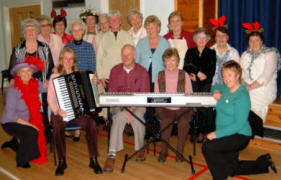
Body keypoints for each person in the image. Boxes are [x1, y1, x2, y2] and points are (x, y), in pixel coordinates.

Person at [202, 60, 277, 180]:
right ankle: (265, 164)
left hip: (239, 134)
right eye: (224, 75)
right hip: (227, 132)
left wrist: (216, 134)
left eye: (229, 75)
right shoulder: (226, 88)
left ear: (237, 76)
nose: (226, 79)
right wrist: (216, 91)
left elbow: (238, 124)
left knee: (208, 147)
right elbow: (215, 86)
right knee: (231, 168)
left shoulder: (242, 95)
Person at [47, 47, 102, 176]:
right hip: (60, 112)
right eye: (66, 58)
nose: (68, 61)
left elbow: (91, 93)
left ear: (74, 61)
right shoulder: (55, 76)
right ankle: (62, 160)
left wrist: (94, 82)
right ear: (61, 59)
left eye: (71, 59)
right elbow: (50, 98)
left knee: (91, 124)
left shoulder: (79, 75)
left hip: (78, 113)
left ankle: (93, 159)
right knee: (57, 125)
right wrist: (57, 110)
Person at [103, 44, 150, 173]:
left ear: (135, 56)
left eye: (129, 55)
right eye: (123, 55)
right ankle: (111, 154)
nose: (126, 57)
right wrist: (125, 109)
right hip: (119, 104)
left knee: (138, 117)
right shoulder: (115, 70)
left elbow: (145, 94)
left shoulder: (143, 71)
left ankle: (140, 149)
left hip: (138, 104)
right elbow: (112, 93)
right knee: (119, 116)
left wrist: (132, 108)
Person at [8, 18, 54, 142]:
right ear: (23, 33)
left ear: (37, 31)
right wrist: (13, 80)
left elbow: (51, 67)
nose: (30, 32)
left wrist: (48, 79)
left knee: (42, 112)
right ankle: (24, 138)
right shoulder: (18, 49)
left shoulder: (44, 48)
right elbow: (11, 70)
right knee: (23, 112)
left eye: (33, 29)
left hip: (41, 86)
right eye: (27, 29)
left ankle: (43, 137)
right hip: (24, 87)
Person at [2, 56, 47, 168]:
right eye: (23, 71)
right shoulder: (13, 90)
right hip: (10, 121)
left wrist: (51, 80)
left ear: (32, 72)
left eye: (28, 70)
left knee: (38, 129)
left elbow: (47, 88)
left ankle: (15, 143)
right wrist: (31, 125)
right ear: (18, 74)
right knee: (31, 132)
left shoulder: (35, 84)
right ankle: (22, 159)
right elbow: (11, 115)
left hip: (26, 119)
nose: (26, 73)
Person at [154, 48, 194, 162]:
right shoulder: (159, 75)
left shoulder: (184, 74)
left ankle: (179, 152)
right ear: (164, 62)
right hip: (165, 108)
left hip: (183, 108)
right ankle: (163, 151)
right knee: (166, 122)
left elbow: (189, 93)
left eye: (173, 60)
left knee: (183, 123)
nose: (170, 63)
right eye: (168, 61)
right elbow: (157, 95)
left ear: (177, 61)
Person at [240, 22, 280, 123]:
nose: (253, 43)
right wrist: (244, 85)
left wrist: (250, 87)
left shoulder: (270, 54)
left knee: (251, 106)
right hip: (245, 87)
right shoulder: (245, 54)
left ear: (262, 41)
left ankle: (251, 128)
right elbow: (239, 72)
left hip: (263, 89)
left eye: (256, 40)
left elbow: (266, 76)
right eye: (251, 40)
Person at [64, 19, 97, 141]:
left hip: (85, 80)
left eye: (79, 30)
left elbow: (92, 66)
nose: (77, 32)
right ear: (71, 32)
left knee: (87, 104)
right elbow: (64, 64)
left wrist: (91, 78)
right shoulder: (67, 47)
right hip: (72, 80)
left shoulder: (89, 46)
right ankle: (77, 129)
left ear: (83, 31)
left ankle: (87, 128)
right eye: (74, 30)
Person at [183, 27, 216, 142]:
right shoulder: (190, 51)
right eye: (199, 38)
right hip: (192, 83)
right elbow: (186, 66)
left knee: (203, 109)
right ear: (195, 39)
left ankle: (202, 132)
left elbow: (211, 70)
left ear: (207, 40)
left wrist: (203, 76)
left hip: (206, 84)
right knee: (195, 107)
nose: (201, 40)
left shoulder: (211, 52)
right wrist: (197, 73)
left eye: (203, 38)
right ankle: (194, 131)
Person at [97, 10, 134, 89]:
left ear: (120, 21)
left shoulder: (127, 36)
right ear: (109, 23)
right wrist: (101, 76)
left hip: (124, 76)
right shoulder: (104, 37)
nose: (114, 21)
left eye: (116, 19)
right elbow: (99, 57)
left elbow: (133, 56)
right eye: (111, 20)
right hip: (107, 77)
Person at [136, 15, 170, 90]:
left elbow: (168, 63)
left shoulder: (165, 43)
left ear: (158, 28)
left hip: (160, 78)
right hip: (142, 78)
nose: (150, 30)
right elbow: (136, 61)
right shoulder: (141, 43)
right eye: (147, 28)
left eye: (152, 28)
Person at [210, 16, 240, 85]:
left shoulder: (234, 52)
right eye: (218, 36)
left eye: (223, 36)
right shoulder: (209, 51)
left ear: (227, 37)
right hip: (212, 87)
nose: (221, 38)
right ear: (215, 38)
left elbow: (238, 71)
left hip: (229, 86)